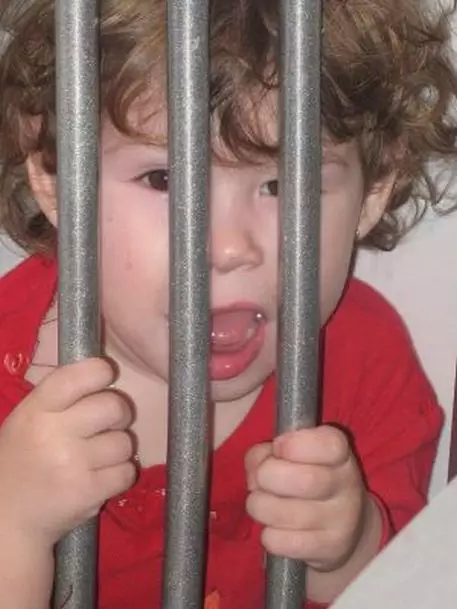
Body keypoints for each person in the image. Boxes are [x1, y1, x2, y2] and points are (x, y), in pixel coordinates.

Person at [0, 0, 455, 608]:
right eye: (163, 179)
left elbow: (414, 585)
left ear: (371, 193)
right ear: (55, 178)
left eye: (281, 185)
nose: (228, 246)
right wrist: (14, 525)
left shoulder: (363, 361)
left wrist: (349, 550)